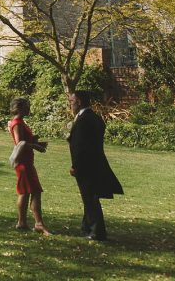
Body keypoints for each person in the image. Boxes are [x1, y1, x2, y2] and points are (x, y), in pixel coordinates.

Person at [68, 91, 123, 241]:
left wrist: (76, 166)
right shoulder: (94, 118)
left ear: (79, 101)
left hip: (87, 166)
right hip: (94, 163)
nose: (70, 104)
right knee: (89, 198)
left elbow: (82, 147)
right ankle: (87, 226)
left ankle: (96, 231)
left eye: (72, 101)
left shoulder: (85, 119)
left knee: (90, 198)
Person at [9, 97, 50, 234]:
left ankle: (22, 223)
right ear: (20, 108)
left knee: (27, 192)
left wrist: (35, 141)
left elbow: (26, 141)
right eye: (27, 106)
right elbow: (20, 143)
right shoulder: (17, 123)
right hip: (23, 163)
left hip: (27, 161)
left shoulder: (21, 122)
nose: (29, 108)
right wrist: (36, 146)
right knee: (32, 191)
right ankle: (37, 224)